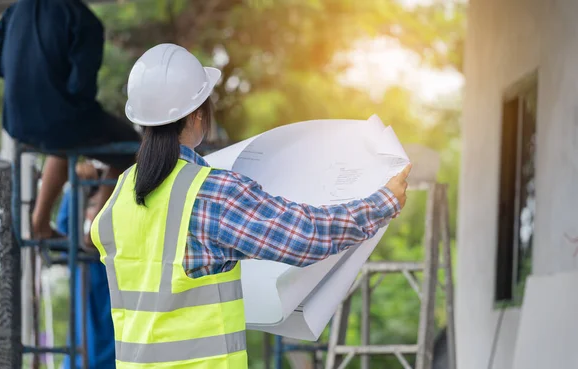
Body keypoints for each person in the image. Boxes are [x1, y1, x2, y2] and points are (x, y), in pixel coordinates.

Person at [90, 44, 411, 368]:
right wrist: (381, 203)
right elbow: (302, 236)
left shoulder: (117, 199)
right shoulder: (211, 194)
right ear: (197, 113)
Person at [0, 0, 140, 243]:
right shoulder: (82, 19)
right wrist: (47, 78)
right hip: (60, 120)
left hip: (17, 122)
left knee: (62, 140)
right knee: (131, 145)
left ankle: (40, 222)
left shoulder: (17, 9)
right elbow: (80, 89)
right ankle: (95, 230)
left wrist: (25, 71)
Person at [56, 162, 115, 369]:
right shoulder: (87, 259)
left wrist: (79, 186)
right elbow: (64, 230)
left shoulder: (101, 258)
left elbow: (64, 228)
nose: (92, 214)